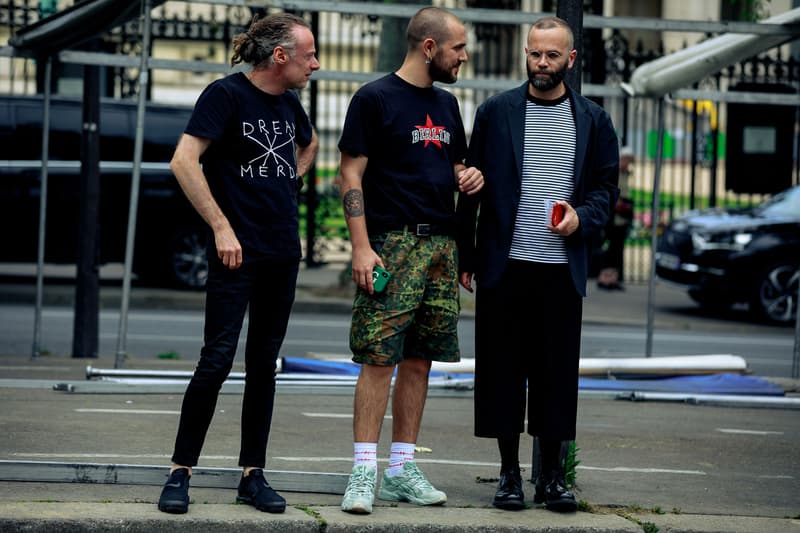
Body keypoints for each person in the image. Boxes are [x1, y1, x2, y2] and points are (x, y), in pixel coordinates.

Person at [157, 13, 320, 515]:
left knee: (263, 366)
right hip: (236, 253)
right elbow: (184, 161)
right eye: (309, 55)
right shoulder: (225, 95)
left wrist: (287, 182)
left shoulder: (291, 103)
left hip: (281, 254)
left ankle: (253, 475)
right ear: (280, 56)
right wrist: (222, 227)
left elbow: (309, 144)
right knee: (216, 361)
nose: (315, 64)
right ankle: (180, 471)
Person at [456, 16, 619, 513]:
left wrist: (580, 218)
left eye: (551, 55)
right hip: (506, 263)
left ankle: (552, 477)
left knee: (555, 374)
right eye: (534, 54)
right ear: (525, 55)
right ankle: (509, 474)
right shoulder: (495, 112)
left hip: (560, 268)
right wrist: (466, 254)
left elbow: (606, 193)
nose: (541, 64)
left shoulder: (593, 119)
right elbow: (471, 184)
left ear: (570, 59)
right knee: (502, 371)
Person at [336, 6, 483, 515]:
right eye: (457, 48)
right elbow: (349, 175)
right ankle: (362, 472)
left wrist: (469, 177)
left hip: (441, 245)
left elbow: (455, 165)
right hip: (392, 244)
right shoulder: (374, 99)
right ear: (428, 47)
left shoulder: (447, 104)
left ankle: (400, 469)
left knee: (420, 360)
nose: (463, 56)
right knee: (378, 358)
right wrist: (361, 247)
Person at [597, 146, 635, 290]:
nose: (627, 163)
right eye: (626, 160)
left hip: (622, 218)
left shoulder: (627, 174)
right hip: (613, 217)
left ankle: (612, 279)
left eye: (629, 160)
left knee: (617, 250)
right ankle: (604, 278)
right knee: (610, 249)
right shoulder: (616, 172)